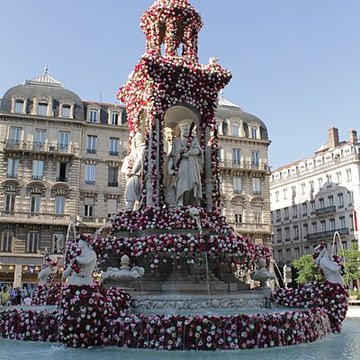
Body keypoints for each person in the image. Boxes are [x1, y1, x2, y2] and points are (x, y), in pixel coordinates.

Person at [167, 119, 203, 207]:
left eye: (188, 130)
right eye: (185, 130)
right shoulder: (176, 142)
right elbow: (172, 156)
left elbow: (198, 150)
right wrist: (169, 169)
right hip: (181, 166)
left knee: (193, 182)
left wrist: (189, 153)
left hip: (191, 165)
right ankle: (180, 201)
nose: (187, 132)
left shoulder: (193, 141)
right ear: (181, 130)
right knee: (182, 183)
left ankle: (191, 202)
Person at [123, 132, 146, 210]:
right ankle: (130, 209)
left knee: (131, 194)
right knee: (131, 193)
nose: (137, 141)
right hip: (134, 174)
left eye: (138, 139)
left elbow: (139, 160)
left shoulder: (141, 149)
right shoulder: (136, 151)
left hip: (136, 175)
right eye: (136, 139)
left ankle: (130, 210)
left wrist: (132, 171)